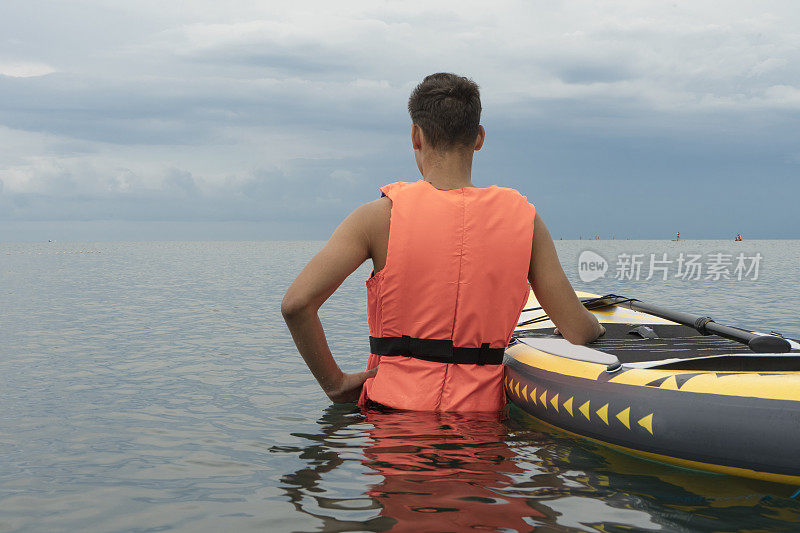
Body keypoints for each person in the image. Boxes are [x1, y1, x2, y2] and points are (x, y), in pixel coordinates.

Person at [282, 73, 604, 411]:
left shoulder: (377, 218)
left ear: (415, 136)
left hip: (392, 420)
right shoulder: (525, 220)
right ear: (478, 138)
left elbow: (296, 305)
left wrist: (335, 384)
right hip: (481, 426)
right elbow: (577, 331)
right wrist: (595, 325)